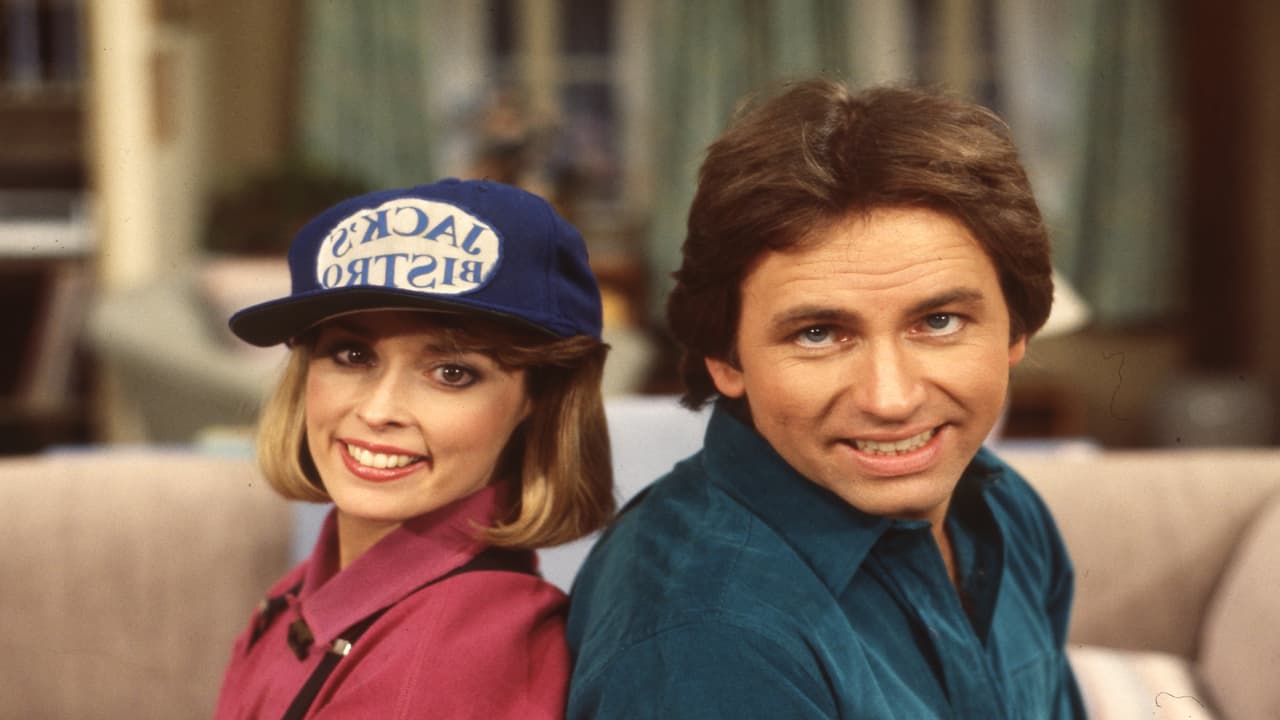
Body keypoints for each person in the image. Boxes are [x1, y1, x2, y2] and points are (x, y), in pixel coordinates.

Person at [566, 78, 1085, 718]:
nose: (891, 399)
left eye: (939, 321)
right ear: (725, 359)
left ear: (1016, 331)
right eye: (818, 333)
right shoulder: (710, 642)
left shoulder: (1004, 508)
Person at [214, 178, 613, 719]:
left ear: (539, 399)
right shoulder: (307, 589)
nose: (379, 410)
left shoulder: (458, 662)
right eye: (352, 355)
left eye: (451, 372)